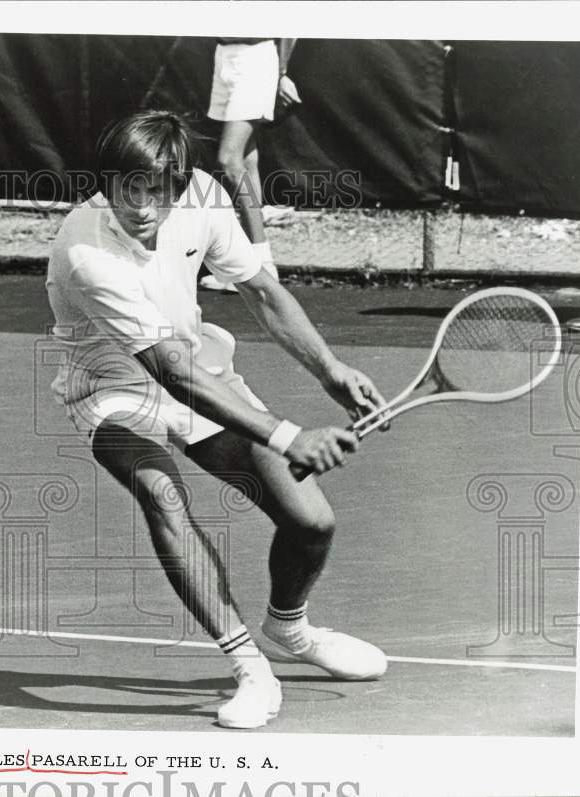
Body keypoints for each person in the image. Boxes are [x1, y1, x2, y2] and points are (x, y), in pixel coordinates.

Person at [46, 111, 387, 730]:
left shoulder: (203, 196)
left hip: (201, 366)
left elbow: (260, 290)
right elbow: (171, 375)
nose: (145, 206)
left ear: (180, 185)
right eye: (129, 187)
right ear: (106, 181)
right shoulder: (85, 250)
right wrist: (289, 435)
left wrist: (330, 369)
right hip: (114, 388)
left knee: (311, 522)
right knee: (161, 491)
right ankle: (250, 667)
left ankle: (291, 629)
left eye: (160, 190)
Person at [200, 37, 300, 293]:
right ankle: (259, 265)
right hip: (223, 55)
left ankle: (260, 265)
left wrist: (282, 73)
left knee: (229, 160)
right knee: (246, 158)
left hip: (256, 59)